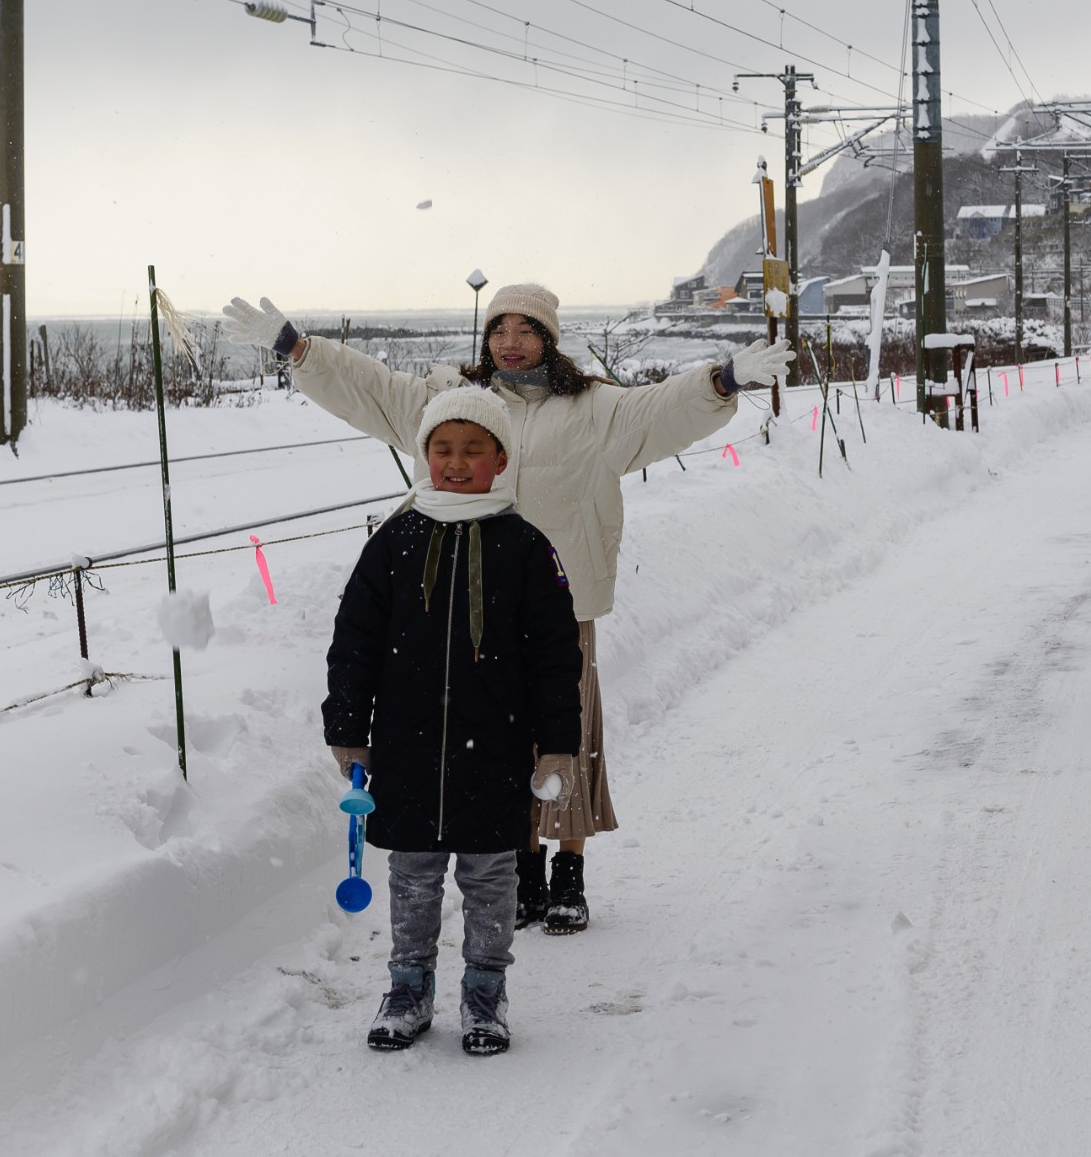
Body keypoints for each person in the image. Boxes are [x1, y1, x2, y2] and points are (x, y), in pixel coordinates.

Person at [228, 283, 792, 933]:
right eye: (499, 328)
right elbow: (374, 388)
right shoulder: (458, 406)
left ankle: (568, 873)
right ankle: (522, 867)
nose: (509, 341)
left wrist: (722, 379)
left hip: (563, 600)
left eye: (525, 329)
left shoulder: (595, 409)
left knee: (566, 735)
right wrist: (297, 347)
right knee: (499, 740)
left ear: (549, 338)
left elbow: (660, 409)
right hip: (472, 603)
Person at [322, 385, 583, 1056]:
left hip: (492, 747)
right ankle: (407, 989)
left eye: (473, 449)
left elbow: (557, 656)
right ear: (423, 454)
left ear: (500, 458)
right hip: (405, 748)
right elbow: (354, 639)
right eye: (443, 449)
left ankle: (485, 994)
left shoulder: (525, 546)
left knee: (492, 875)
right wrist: (349, 727)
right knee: (411, 873)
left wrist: (556, 745)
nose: (457, 462)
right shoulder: (394, 540)